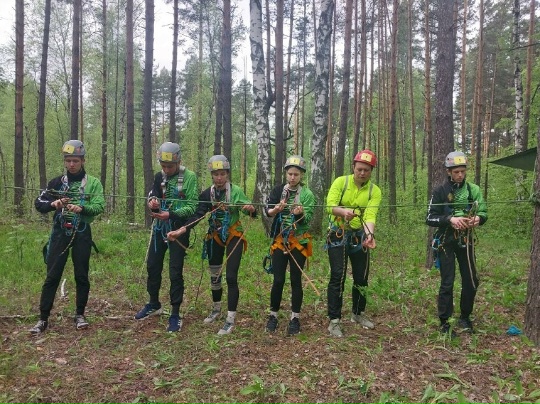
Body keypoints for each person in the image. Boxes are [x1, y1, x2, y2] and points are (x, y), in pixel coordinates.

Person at [167, 155, 256, 335]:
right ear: (212, 175)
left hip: (234, 235)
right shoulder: (208, 194)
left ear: (227, 174)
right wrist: (181, 230)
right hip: (215, 236)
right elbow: (198, 215)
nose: (219, 178)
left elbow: (252, 213)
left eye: (222, 174)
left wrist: (251, 209)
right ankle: (216, 309)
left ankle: (230, 319)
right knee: (215, 275)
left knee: (231, 276)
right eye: (216, 174)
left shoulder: (236, 192)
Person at [30, 140, 105, 335]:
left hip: (82, 233)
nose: (71, 164)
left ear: (83, 161)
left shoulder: (93, 183)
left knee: (81, 274)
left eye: (75, 161)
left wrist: (82, 208)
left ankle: (80, 314)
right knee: (52, 275)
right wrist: (54, 204)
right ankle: (43, 318)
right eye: (68, 160)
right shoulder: (56, 183)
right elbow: (39, 203)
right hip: (59, 233)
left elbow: (99, 205)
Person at [134, 142, 198, 333]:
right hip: (159, 228)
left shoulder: (189, 177)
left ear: (179, 162)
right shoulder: (159, 176)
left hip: (178, 229)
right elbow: (153, 193)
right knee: (153, 265)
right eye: (163, 166)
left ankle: (175, 313)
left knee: (175, 270)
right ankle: (154, 303)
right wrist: (153, 203)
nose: (167, 170)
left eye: (170, 166)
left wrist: (171, 214)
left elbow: (192, 206)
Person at [426, 151, 487, 336]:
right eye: (456, 172)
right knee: (448, 281)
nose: (460, 175)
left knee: (471, 279)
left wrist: (478, 219)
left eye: (463, 171)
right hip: (445, 240)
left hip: (466, 239)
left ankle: (465, 317)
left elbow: (483, 212)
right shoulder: (440, 191)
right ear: (449, 172)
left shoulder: (473, 190)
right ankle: (445, 322)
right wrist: (450, 219)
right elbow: (429, 218)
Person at [325, 150, 382, 337]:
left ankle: (358, 313)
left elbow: (370, 215)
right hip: (338, 233)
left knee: (361, 276)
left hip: (360, 235)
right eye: (359, 169)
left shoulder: (374, 191)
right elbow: (329, 205)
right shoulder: (341, 182)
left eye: (367, 170)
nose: (362, 173)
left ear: (371, 171)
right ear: (353, 167)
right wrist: (343, 212)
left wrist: (370, 235)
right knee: (338, 276)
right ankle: (334, 320)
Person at [264, 155, 315, 335]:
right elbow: (268, 212)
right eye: (290, 174)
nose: (293, 177)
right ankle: (273, 315)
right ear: (286, 173)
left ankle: (295, 318)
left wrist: (300, 214)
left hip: (298, 241)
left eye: (296, 174)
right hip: (280, 241)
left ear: (301, 175)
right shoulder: (278, 191)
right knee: (278, 280)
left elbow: (307, 220)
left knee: (295, 280)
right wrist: (276, 209)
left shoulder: (307, 195)